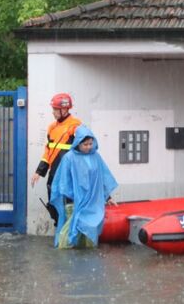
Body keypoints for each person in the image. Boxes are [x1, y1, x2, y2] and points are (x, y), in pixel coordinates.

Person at [49, 124, 118, 249]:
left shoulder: (96, 157)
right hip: (74, 202)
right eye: (85, 144)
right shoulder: (69, 158)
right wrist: (74, 196)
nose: (88, 147)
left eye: (90, 143)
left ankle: (87, 259)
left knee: (89, 235)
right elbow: (64, 181)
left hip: (92, 203)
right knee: (70, 232)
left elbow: (101, 179)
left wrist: (108, 197)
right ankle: (63, 259)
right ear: (78, 143)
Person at [30, 93, 82, 222]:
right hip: (54, 173)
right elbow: (49, 151)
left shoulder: (76, 126)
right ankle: (60, 233)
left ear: (64, 109)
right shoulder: (52, 127)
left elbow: (83, 150)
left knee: (68, 205)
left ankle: (69, 237)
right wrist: (39, 171)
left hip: (68, 173)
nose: (53, 112)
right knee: (54, 204)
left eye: (55, 109)